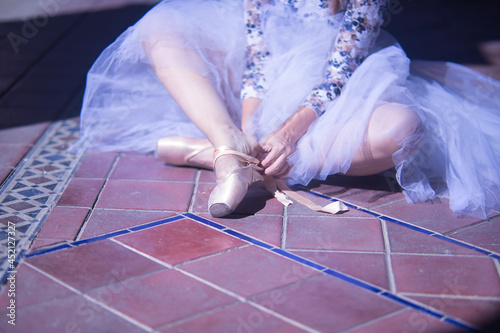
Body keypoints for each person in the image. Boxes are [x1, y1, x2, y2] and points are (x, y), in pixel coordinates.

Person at [74, 0, 500, 218]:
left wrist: (290, 132)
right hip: (255, 86)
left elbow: (340, 71)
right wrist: (249, 129)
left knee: (402, 129)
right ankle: (229, 146)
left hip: (333, 95)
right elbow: (257, 60)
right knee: (161, 23)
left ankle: (220, 157)